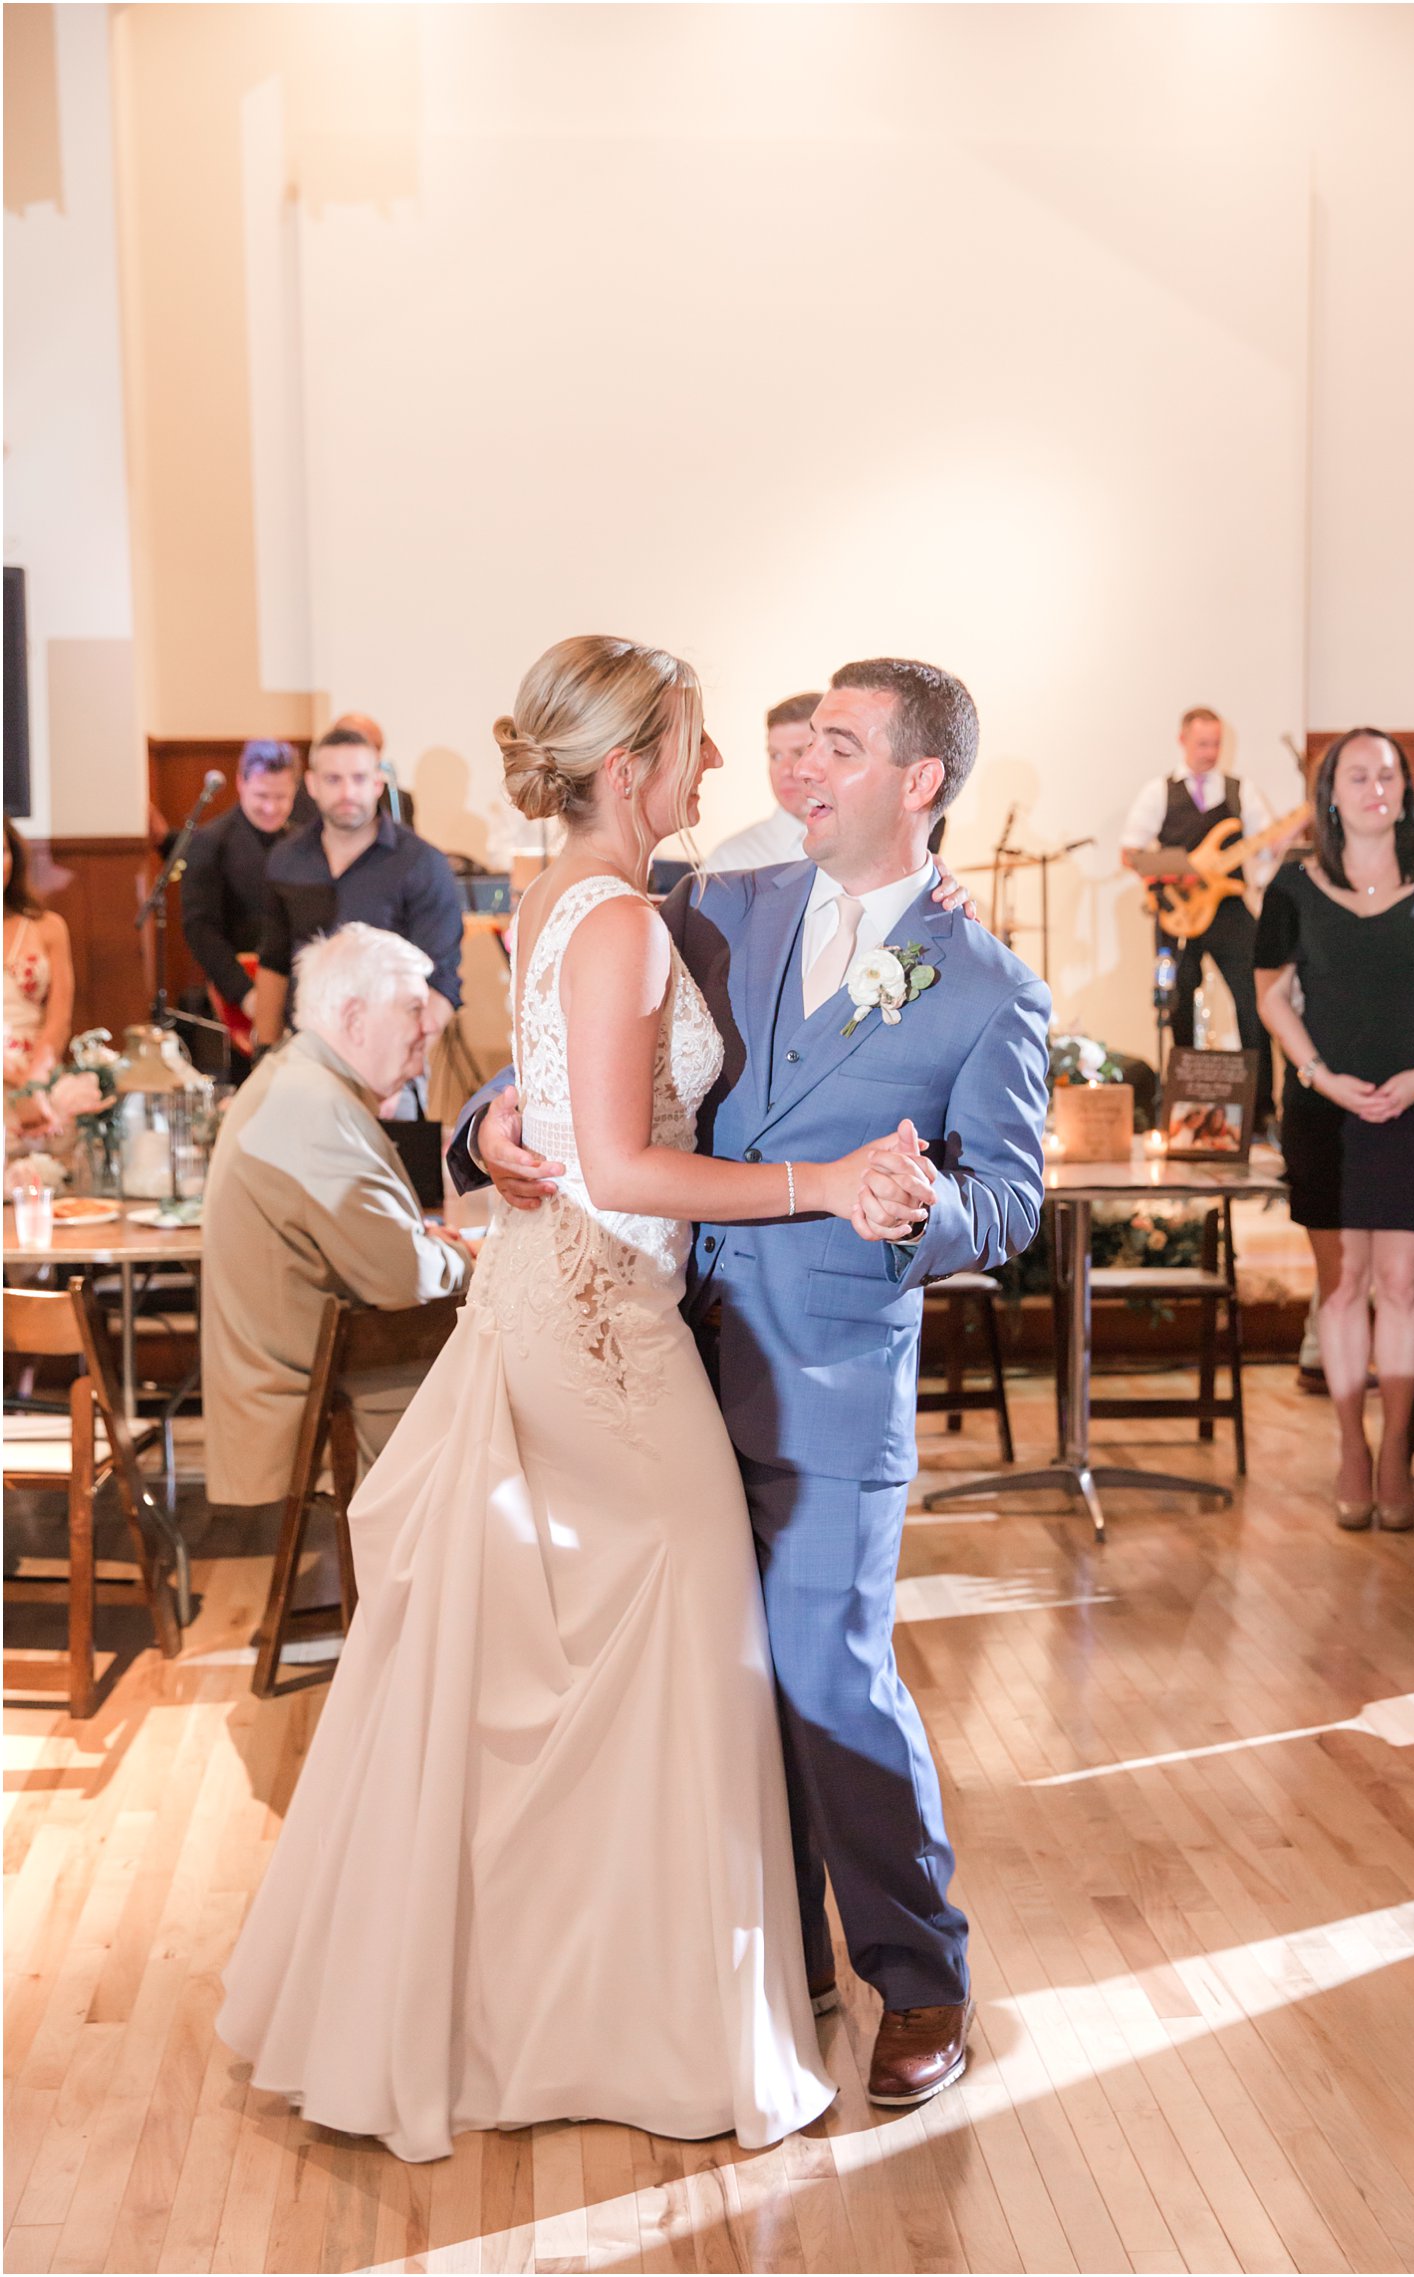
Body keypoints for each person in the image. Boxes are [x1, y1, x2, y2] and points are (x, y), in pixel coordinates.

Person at [218, 635, 957, 2160]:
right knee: (686, 1633)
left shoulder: (564, 895)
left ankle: (577, 1992)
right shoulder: (627, 913)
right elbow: (610, 1151)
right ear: (629, 765)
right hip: (612, 1322)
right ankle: (650, 2016)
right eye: (696, 743)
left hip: (580, 1304)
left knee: (593, 1663)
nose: (725, 770)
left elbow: (567, 1084)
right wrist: (819, 1177)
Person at [460, 652, 1051, 2113]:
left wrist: (927, 1214)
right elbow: (580, 1027)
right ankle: (771, 1961)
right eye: (800, 746)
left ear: (921, 782)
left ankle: (918, 1975)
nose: (797, 769)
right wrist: (487, 1121)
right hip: (656, 1353)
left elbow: (1013, 1199)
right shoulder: (719, 904)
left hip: (830, 1377)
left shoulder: (991, 987)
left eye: (839, 748)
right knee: (699, 1675)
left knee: (824, 1674)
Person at [1254, 728, 1414, 1532]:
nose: (1375, 787)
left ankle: (1395, 1449)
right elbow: (1272, 996)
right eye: (1357, 775)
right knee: (1343, 1285)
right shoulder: (1294, 887)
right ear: (1331, 794)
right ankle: (1351, 1447)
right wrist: (1321, 1075)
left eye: (1388, 774)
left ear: (1404, 791)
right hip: (1326, 1113)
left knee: (1402, 1285)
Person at [200, 924, 469, 1513]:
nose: (431, 1025)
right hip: (310, 1402)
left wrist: (421, 1244)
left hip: (319, 1366)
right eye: (414, 1009)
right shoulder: (312, 1105)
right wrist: (464, 1255)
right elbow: (407, 1279)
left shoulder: (302, 1081)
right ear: (353, 1019)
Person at [254, 726, 462, 1087]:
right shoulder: (287, 858)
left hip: (392, 1065)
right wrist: (265, 1059)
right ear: (312, 785)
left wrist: (400, 1072)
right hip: (305, 1057)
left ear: (378, 784)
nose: (348, 792)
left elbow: (441, 985)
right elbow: (274, 963)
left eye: (359, 778)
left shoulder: (422, 864)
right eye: (333, 779)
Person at [1121, 706, 1279, 1131]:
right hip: (1176, 910)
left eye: (1216, 744)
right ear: (1183, 741)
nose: (1210, 752)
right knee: (1176, 1004)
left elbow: (1267, 845)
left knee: (1254, 1000)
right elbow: (1131, 852)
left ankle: (1261, 1109)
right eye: (1202, 743)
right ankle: (1182, 1105)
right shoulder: (1159, 792)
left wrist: (1270, 854)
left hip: (1228, 909)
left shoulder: (1240, 790)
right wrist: (1181, 872)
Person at [179, 741, 305, 1063]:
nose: (271, 808)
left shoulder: (303, 843)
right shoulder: (211, 841)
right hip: (239, 989)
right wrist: (245, 994)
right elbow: (200, 928)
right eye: (261, 796)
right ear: (240, 783)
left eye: (282, 797)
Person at [3, 818, 74, 1114]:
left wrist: (35, 1078)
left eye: (3, 850)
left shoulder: (48, 927)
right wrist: (15, 1079)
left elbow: (59, 1021)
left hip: (39, 1069)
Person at [704, 691, 818, 870]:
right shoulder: (730, 863)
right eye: (776, 755)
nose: (786, 770)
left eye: (800, 753)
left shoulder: (869, 845)